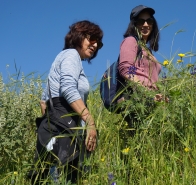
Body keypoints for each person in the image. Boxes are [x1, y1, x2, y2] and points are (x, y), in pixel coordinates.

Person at [28, 20, 103, 184]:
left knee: (49, 177)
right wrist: (89, 121)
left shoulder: (62, 58)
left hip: (56, 128)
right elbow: (68, 89)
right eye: (92, 38)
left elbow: (43, 101)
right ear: (79, 36)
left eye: (98, 42)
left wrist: (51, 126)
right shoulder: (71, 55)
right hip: (66, 130)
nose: (95, 44)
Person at [118, 5, 166, 130]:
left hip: (152, 100)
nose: (145, 24)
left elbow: (141, 73)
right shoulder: (131, 41)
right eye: (140, 21)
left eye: (149, 20)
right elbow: (127, 69)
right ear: (134, 24)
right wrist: (145, 92)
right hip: (139, 100)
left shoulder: (146, 49)